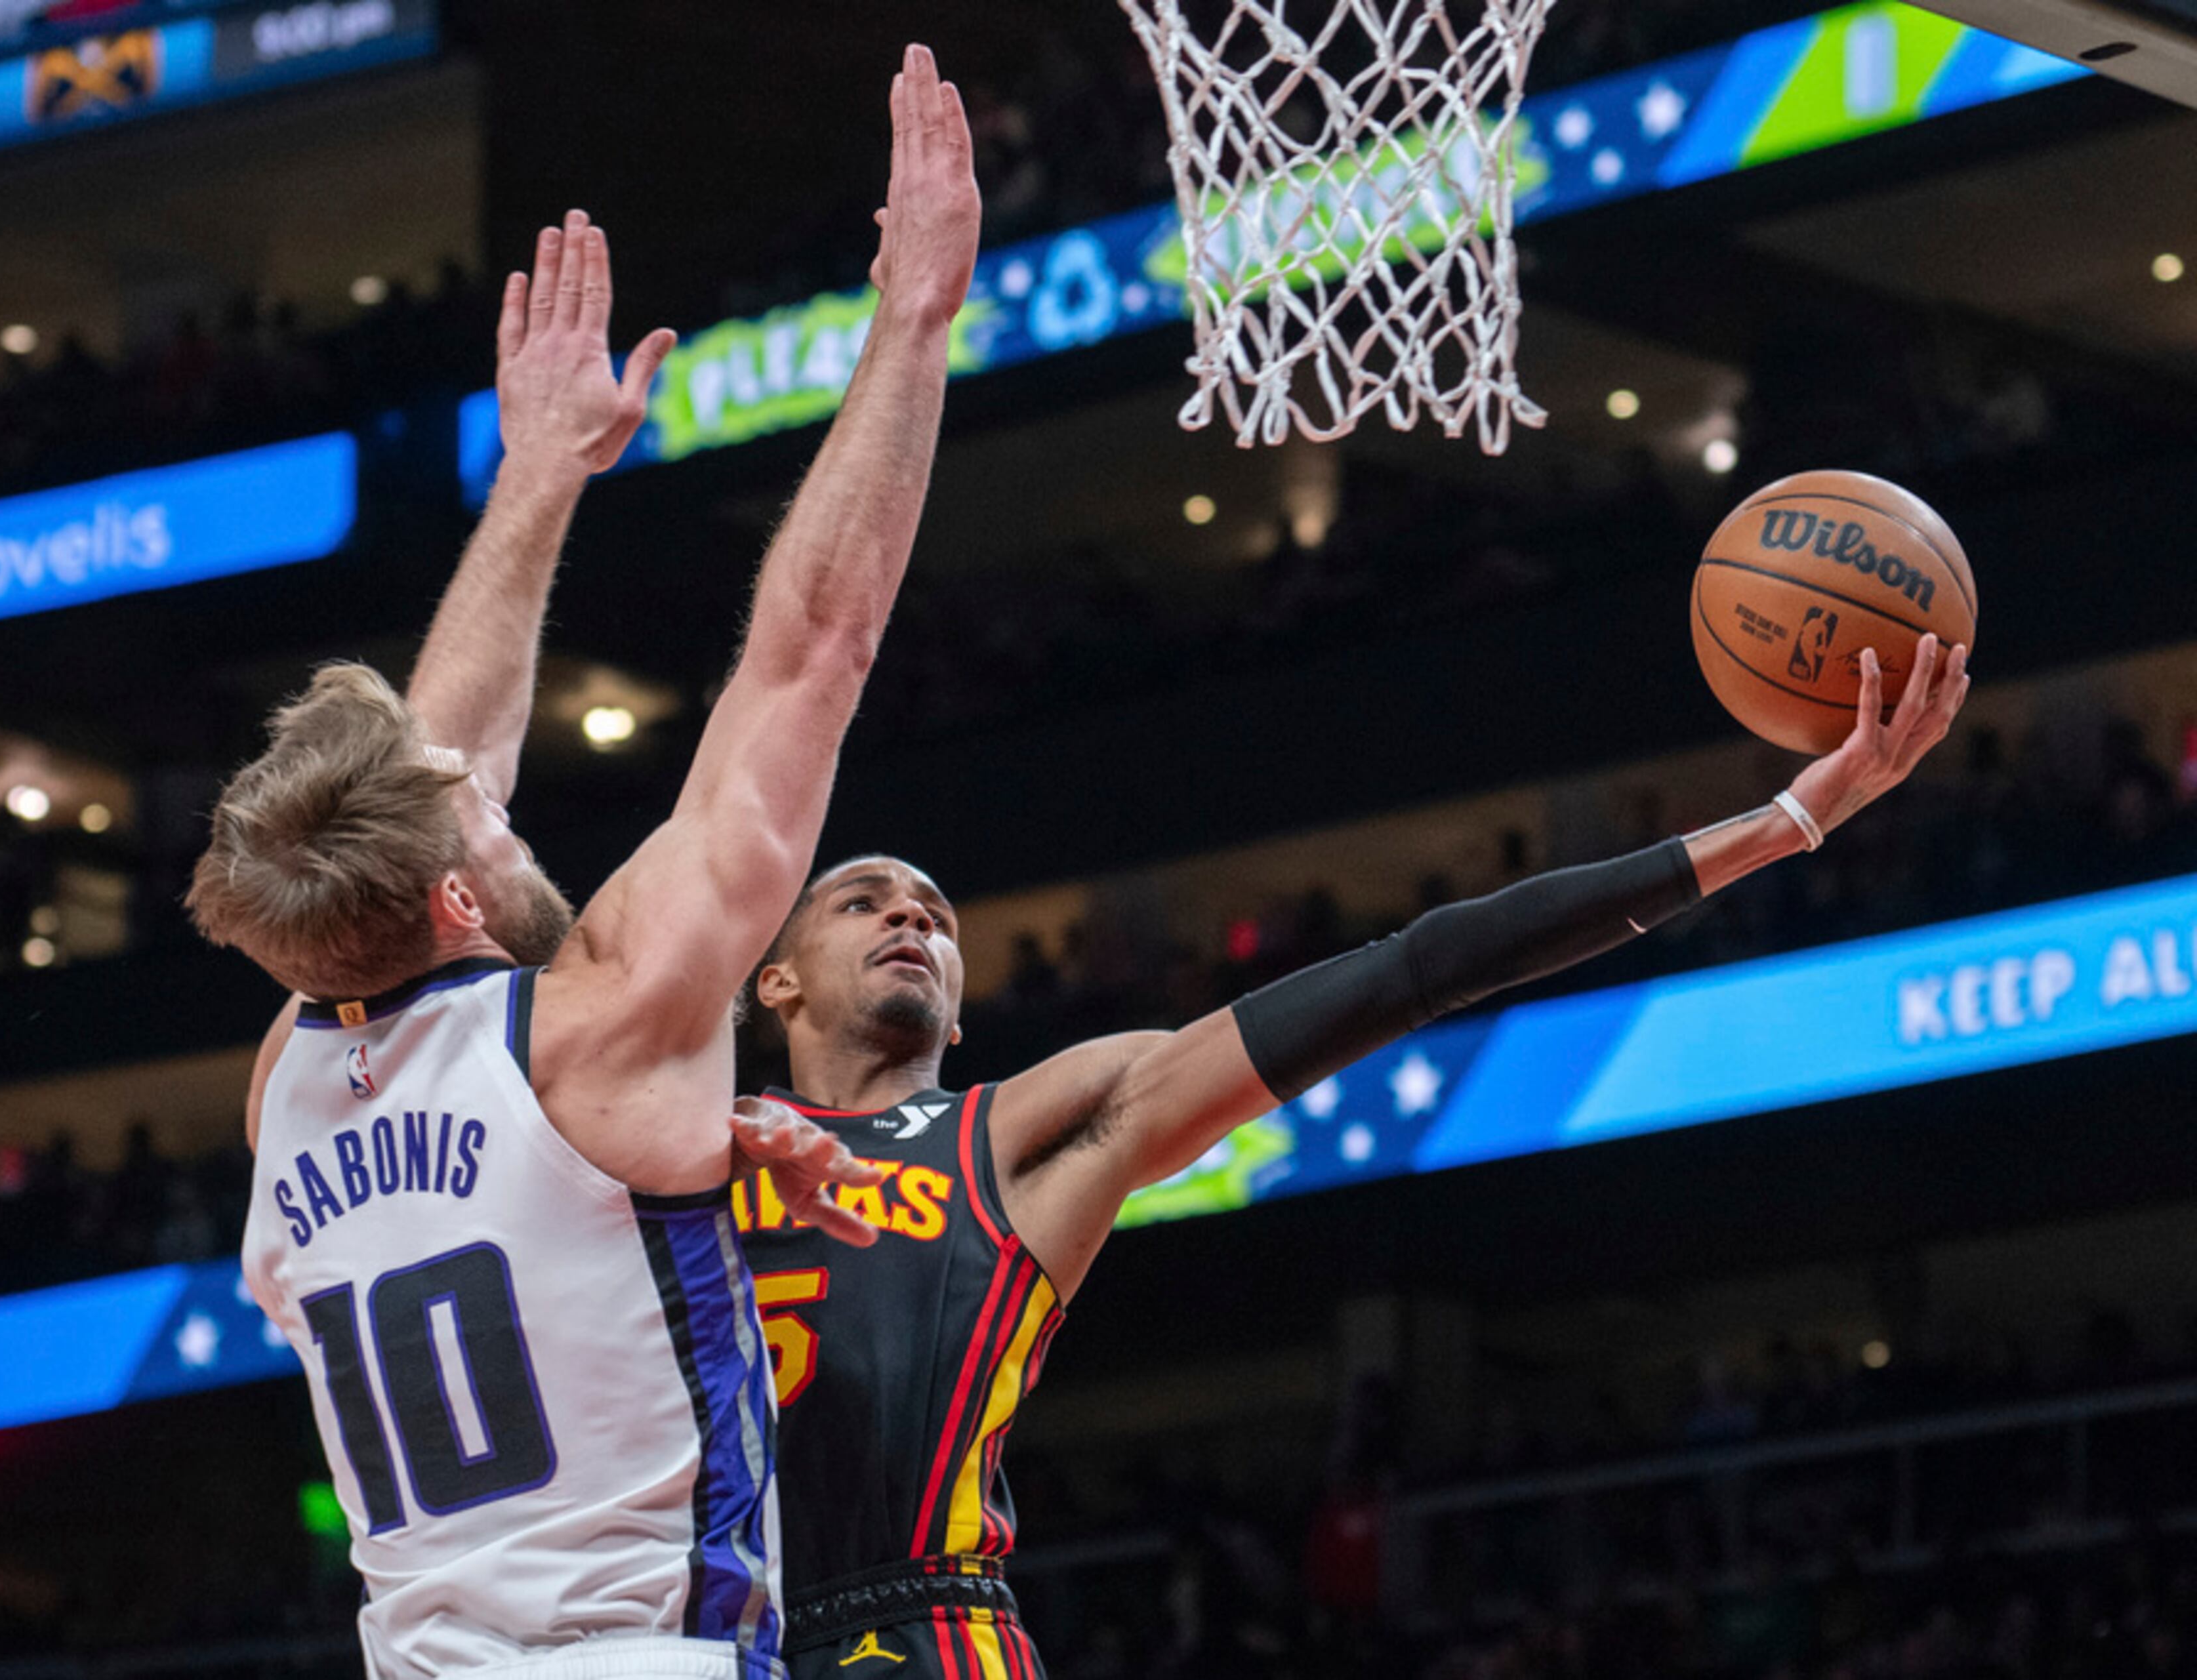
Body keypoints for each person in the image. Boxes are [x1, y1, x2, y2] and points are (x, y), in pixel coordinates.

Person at [190, 47, 981, 1680]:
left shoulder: (287, 1079)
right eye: (480, 815)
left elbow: (436, 776)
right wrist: (909, 327)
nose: (500, 792)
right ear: (455, 902)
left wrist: (541, 477)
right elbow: (809, 656)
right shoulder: (602, 1018)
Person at [737, 638, 1973, 1678]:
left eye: (937, 917)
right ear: (772, 980)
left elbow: (1411, 973)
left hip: (920, 1626)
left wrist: (1785, 820)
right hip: (684, 1634)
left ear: (959, 1013)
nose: (911, 916)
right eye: (864, 901)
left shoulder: (1020, 1134)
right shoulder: (679, 1142)